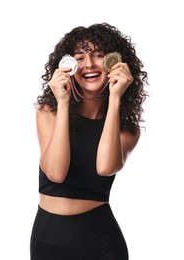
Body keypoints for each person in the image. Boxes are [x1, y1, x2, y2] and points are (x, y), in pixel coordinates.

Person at [30, 22, 148, 260]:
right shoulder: (48, 113)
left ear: (113, 64)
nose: (89, 64)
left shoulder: (127, 130)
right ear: (68, 66)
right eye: (80, 57)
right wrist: (62, 103)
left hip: (102, 243)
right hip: (48, 241)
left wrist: (115, 98)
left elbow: (105, 167)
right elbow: (55, 173)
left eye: (99, 55)